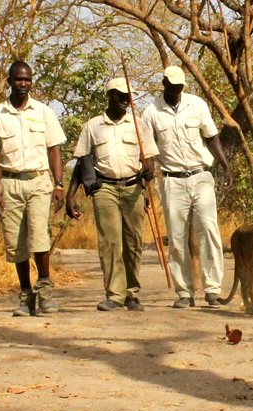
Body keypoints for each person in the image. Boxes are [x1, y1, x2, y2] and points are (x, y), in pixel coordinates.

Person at [0, 61, 67, 317]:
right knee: (16, 243)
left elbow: (54, 149)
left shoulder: (44, 112)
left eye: (27, 79)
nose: (23, 84)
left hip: (39, 180)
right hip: (10, 183)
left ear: (31, 82)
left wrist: (59, 184)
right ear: (9, 82)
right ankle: (26, 295)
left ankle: (45, 291)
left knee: (40, 237)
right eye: (18, 79)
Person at [142, 65, 233, 309]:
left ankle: (212, 290)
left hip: (200, 175)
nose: (175, 91)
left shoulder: (197, 105)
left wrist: (226, 166)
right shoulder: (151, 112)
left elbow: (211, 137)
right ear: (164, 84)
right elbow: (148, 148)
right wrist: (147, 172)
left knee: (209, 230)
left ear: (183, 86)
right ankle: (184, 292)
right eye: (171, 86)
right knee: (177, 237)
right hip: (171, 180)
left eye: (179, 87)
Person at [71, 77, 159, 312]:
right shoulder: (93, 126)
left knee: (133, 242)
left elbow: (149, 158)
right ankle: (115, 295)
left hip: (133, 187)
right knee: (110, 243)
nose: (124, 101)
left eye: (127, 97)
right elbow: (81, 160)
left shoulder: (139, 125)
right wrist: (70, 195)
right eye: (119, 96)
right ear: (109, 96)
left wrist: (149, 171)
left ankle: (132, 294)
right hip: (105, 188)